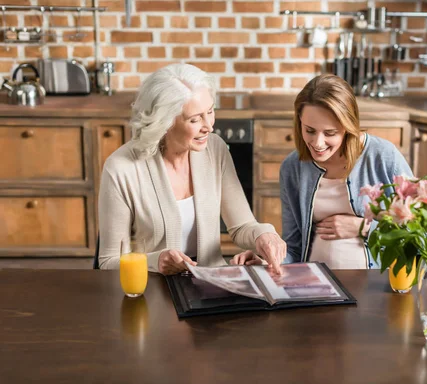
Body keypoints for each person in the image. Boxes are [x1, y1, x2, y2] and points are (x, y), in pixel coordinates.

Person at [98, 64, 286, 275]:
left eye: (210, 111)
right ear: (164, 122)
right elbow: (108, 262)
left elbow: (242, 226)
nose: (209, 126)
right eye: (195, 119)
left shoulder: (215, 149)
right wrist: (155, 261)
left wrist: (265, 235)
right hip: (154, 287)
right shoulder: (121, 168)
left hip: (213, 283)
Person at [255, 73, 412, 269]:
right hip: (313, 285)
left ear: (348, 127)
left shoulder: (383, 156)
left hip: (375, 286)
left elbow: (420, 233)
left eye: (330, 133)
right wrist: (265, 262)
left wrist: (364, 228)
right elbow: (295, 248)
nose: (318, 143)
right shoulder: (292, 168)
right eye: (310, 130)